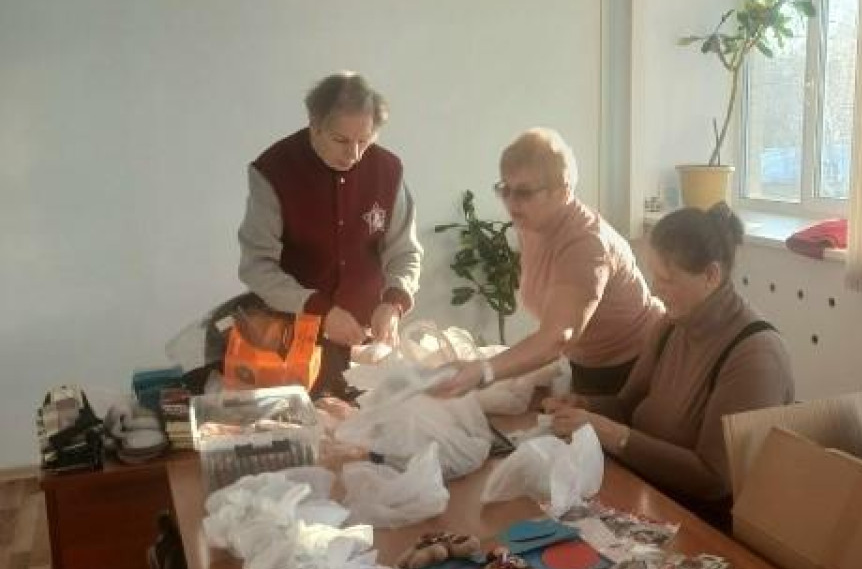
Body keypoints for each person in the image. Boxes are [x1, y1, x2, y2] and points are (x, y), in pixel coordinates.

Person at [546, 204, 795, 530]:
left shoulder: (754, 355)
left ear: (711, 276)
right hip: (648, 495)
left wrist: (616, 436)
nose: (655, 290)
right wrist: (584, 405)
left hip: (705, 524)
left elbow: (714, 480)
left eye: (667, 279)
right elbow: (625, 405)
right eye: (654, 277)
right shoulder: (670, 325)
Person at [435, 128, 662, 397]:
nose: (511, 202)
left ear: (563, 191)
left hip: (635, 366)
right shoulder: (532, 224)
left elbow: (559, 336)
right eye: (505, 189)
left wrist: (484, 370)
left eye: (524, 192)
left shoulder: (585, 244)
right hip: (587, 362)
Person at [237, 72, 422, 395]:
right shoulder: (273, 171)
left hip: (365, 337)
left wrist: (393, 302)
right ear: (314, 124)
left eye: (364, 140)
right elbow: (257, 266)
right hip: (293, 335)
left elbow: (404, 252)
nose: (354, 155)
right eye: (341, 140)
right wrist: (318, 311)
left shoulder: (388, 170)